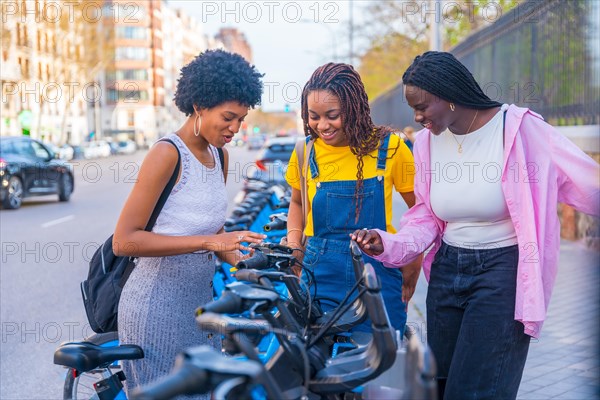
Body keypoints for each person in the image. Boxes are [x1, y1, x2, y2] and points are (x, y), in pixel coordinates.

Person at [352, 51, 600, 399]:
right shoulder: (426, 143)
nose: (417, 117)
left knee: (478, 389)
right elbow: (426, 215)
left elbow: (586, 180)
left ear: (450, 95)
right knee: (438, 385)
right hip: (447, 271)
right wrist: (388, 243)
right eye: (413, 109)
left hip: (503, 273)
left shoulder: (520, 129)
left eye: (422, 106)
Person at [112, 49, 266, 395]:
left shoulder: (219, 155)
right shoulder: (166, 153)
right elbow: (124, 241)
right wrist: (210, 244)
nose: (235, 129)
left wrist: (247, 258)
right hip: (155, 308)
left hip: (201, 308)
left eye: (241, 119)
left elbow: (214, 233)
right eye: (229, 117)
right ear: (199, 105)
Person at [284, 62, 421, 334]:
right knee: (316, 365)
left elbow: (420, 212)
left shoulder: (391, 147)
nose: (322, 125)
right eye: (313, 116)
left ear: (353, 107)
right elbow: (298, 203)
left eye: (332, 115)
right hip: (318, 275)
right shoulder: (305, 152)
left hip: (377, 274)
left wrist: (412, 264)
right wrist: (294, 246)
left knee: (383, 361)